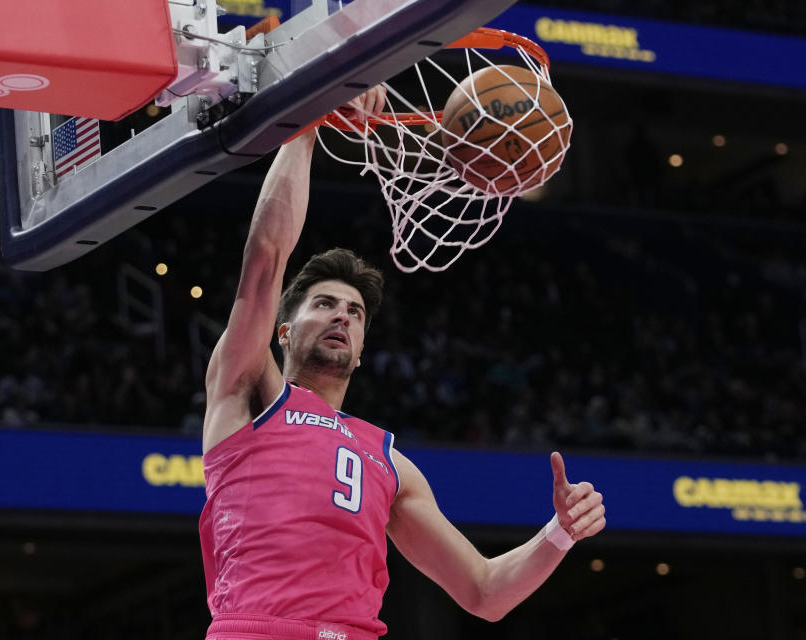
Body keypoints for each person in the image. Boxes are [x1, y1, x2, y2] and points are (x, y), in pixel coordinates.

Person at [199, 87, 606, 640]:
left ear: (363, 349)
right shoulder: (251, 391)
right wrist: (308, 120)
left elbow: (484, 591)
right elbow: (266, 257)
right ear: (284, 331)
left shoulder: (388, 461)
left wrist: (559, 532)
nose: (342, 316)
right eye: (324, 304)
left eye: (355, 312)